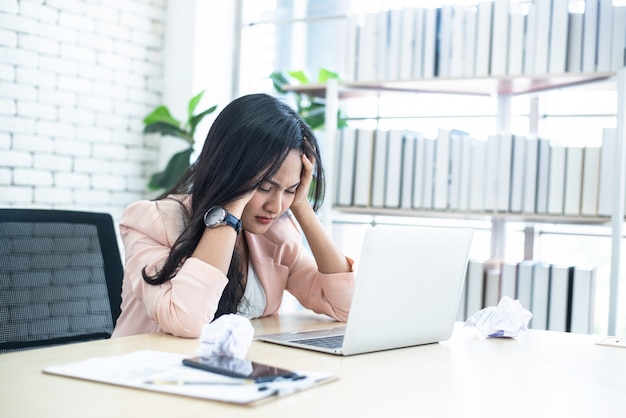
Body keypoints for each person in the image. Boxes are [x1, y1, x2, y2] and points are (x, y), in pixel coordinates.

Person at [112, 93, 355, 338]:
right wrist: (230, 208)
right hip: (148, 371)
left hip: (232, 370)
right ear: (230, 171)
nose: (275, 206)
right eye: (264, 187)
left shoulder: (276, 234)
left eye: (290, 190)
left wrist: (301, 206)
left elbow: (348, 307)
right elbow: (187, 320)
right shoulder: (151, 222)